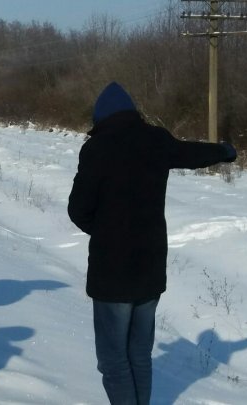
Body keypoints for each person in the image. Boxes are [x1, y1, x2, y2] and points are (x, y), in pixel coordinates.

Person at [67, 82, 237, 405]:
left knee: (114, 360)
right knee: (140, 356)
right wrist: (224, 151)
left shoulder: (97, 149)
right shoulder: (156, 140)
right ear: (132, 113)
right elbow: (192, 153)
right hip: (149, 270)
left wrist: (105, 233)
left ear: (101, 119)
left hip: (112, 275)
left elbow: (78, 210)